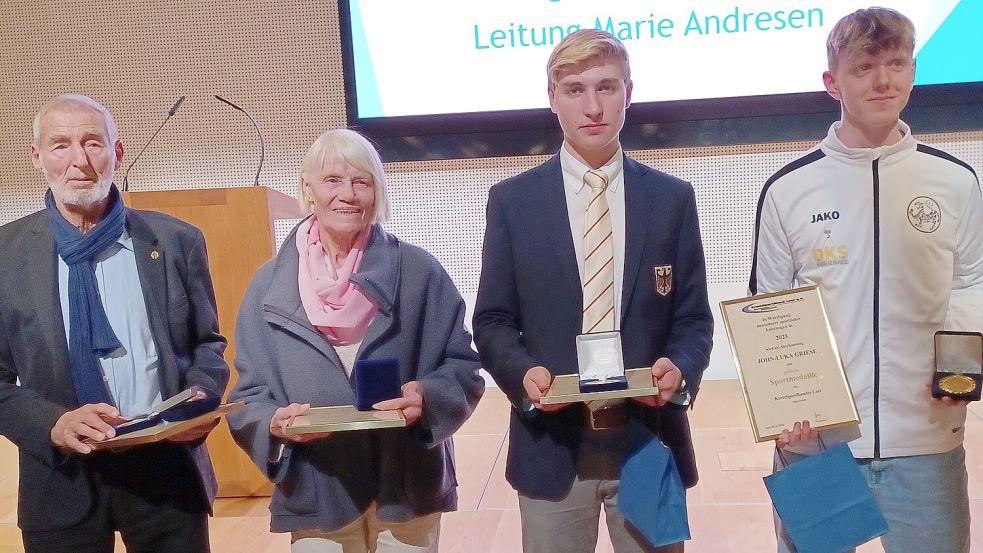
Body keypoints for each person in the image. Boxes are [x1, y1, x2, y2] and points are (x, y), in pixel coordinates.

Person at [750, 8, 983, 553]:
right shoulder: (788, 190)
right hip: (815, 446)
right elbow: (769, 311)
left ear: (912, 71)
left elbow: (972, 284)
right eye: (864, 66)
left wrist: (959, 375)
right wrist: (786, 410)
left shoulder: (955, 181)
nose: (883, 80)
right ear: (833, 83)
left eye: (896, 63)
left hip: (925, 441)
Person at [472, 29, 713, 553]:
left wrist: (681, 365)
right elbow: (491, 321)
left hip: (649, 439)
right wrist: (521, 373)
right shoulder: (513, 203)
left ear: (630, 91)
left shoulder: (671, 200)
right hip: (552, 446)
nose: (593, 106)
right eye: (575, 89)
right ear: (552, 98)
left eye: (607, 87)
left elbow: (693, 319)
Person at [227, 128, 484, 552]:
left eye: (361, 182)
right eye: (332, 180)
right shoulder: (268, 286)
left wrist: (427, 397)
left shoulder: (419, 273)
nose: (347, 194)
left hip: (405, 486)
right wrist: (273, 424)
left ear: (377, 193)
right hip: (316, 485)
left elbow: (464, 368)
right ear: (307, 190)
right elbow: (248, 395)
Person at [0, 94, 230, 553]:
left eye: (93, 143)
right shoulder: (6, 254)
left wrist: (198, 402)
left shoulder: (176, 241)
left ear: (117, 153)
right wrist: (54, 423)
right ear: (38, 157)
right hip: (61, 479)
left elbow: (208, 345)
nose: (79, 160)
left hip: (165, 473)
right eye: (60, 145)